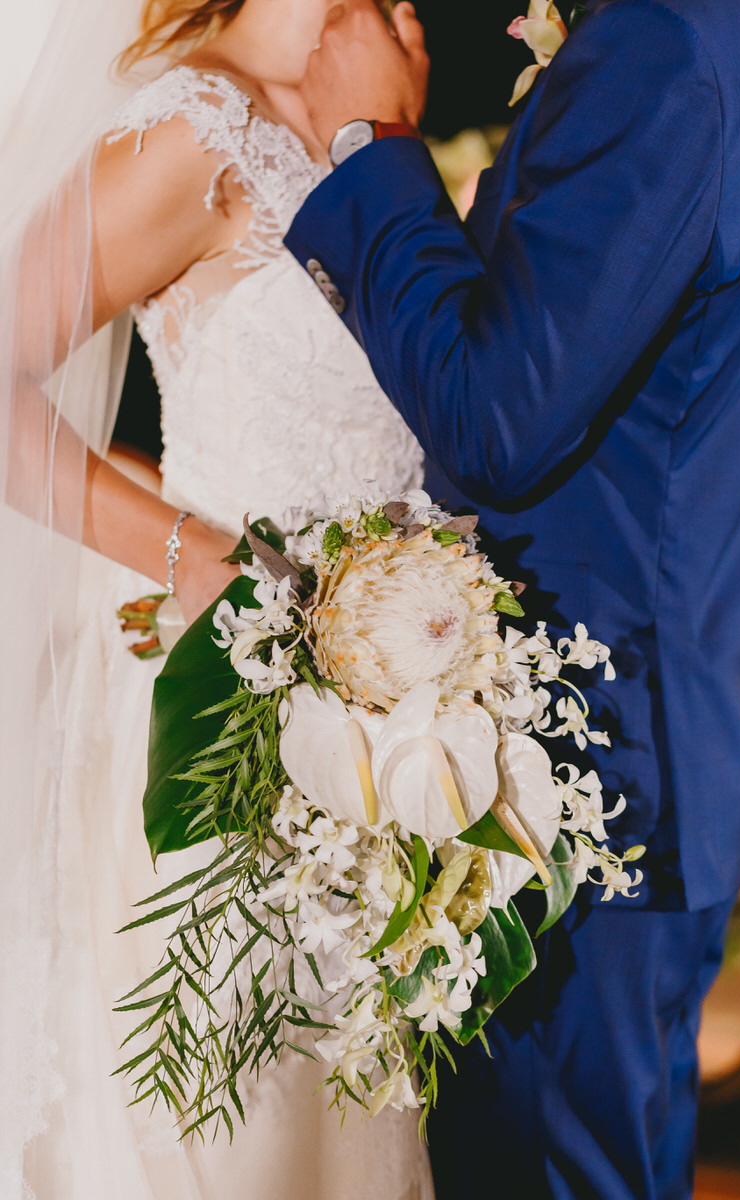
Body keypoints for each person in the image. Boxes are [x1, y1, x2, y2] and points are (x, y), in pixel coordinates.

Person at [284, 0, 740, 1195]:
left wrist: (369, 142)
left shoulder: (663, 47)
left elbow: (497, 420)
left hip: (583, 773)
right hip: (660, 725)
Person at [0, 1, 433, 1197]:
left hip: (375, 745)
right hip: (216, 720)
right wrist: (193, 556)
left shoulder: (381, 86)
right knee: (233, 1134)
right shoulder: (192, 127)